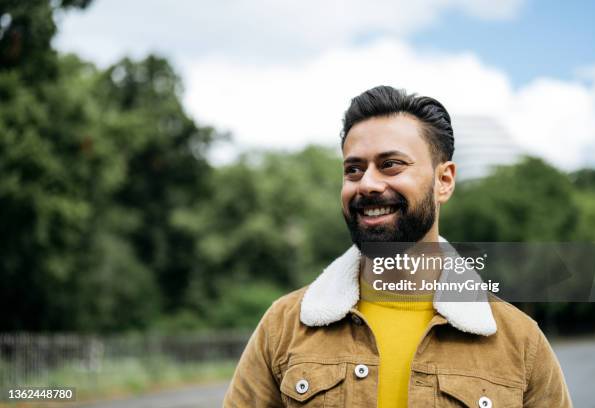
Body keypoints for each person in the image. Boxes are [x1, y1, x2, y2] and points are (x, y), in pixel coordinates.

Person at [223, 85, 572, 407]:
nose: (368, 184)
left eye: (390, 165)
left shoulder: (520, 341)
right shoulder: (282, 326)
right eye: (353, 170)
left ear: (444, 180)